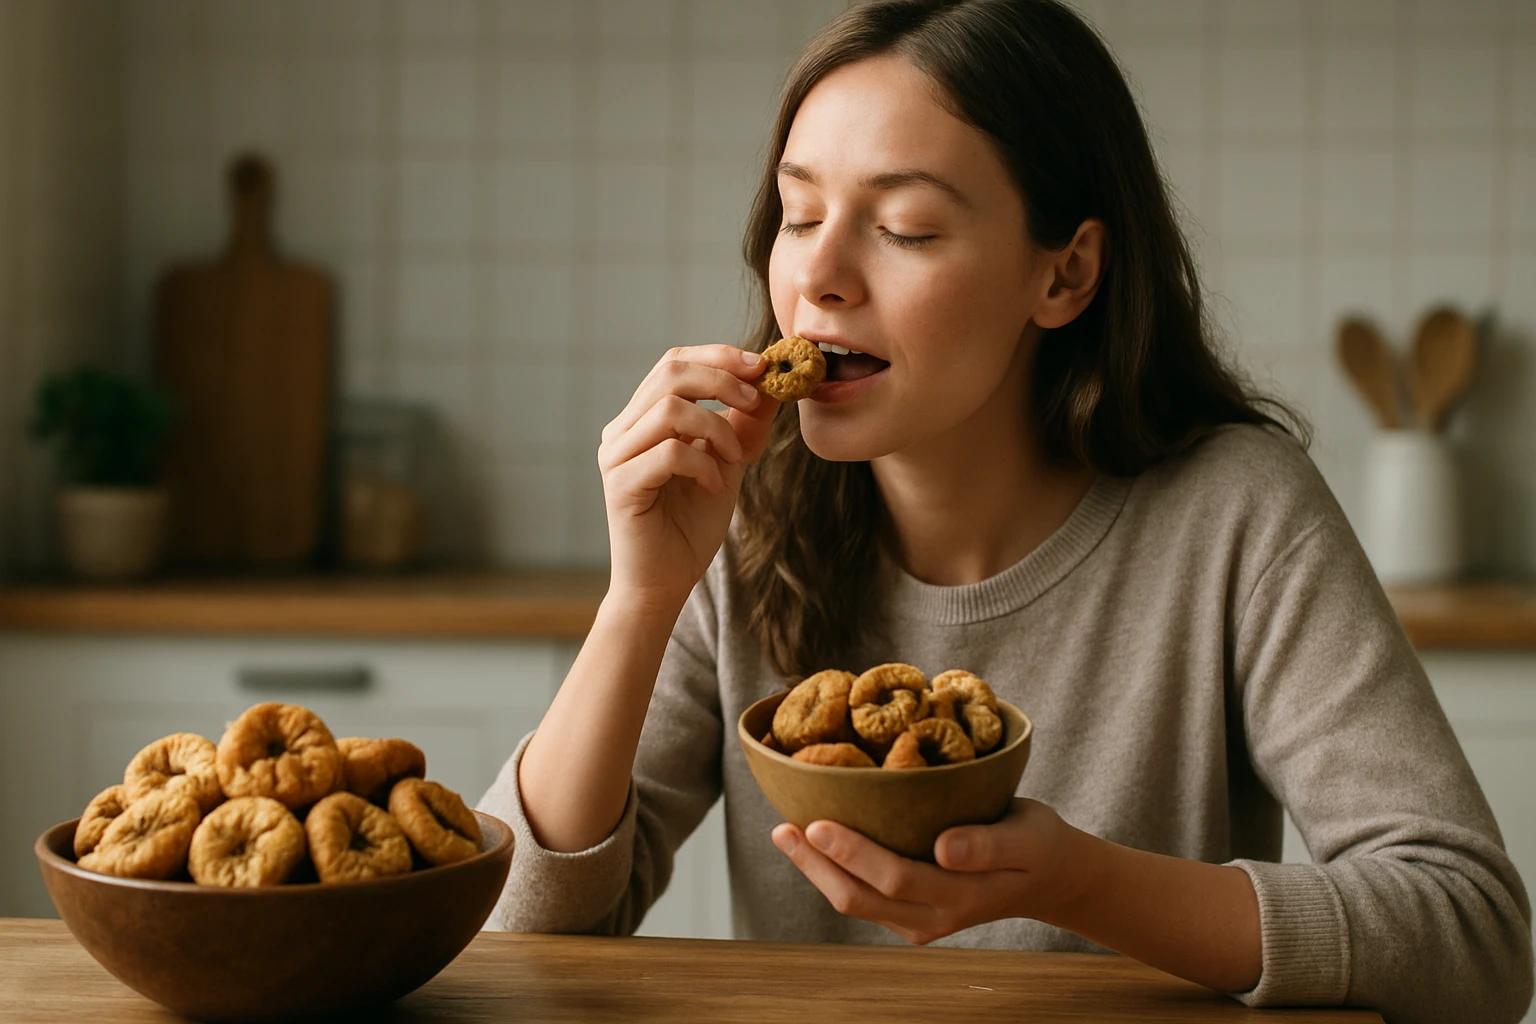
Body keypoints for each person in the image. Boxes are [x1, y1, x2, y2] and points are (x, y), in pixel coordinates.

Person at [477, 1, 1533, 1020]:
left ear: (1065, 273)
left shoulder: (1235, 513)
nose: (819, 276)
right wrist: (639, 599)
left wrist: (1079, 884)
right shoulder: (745, 516)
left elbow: (1472, 938)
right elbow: (503, 931)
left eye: (904, 227)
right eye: (798, 214)